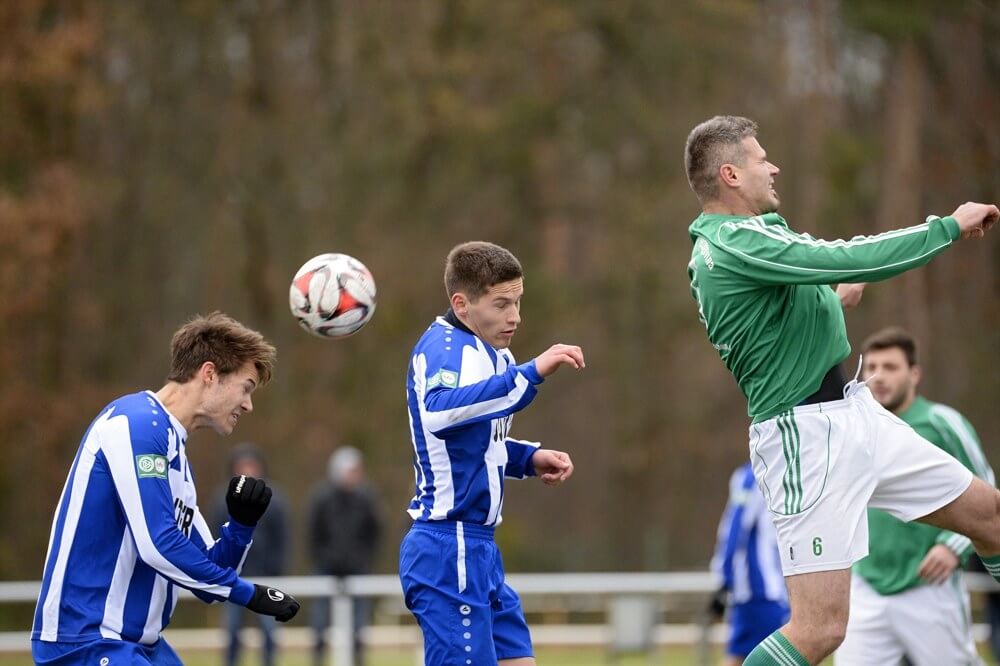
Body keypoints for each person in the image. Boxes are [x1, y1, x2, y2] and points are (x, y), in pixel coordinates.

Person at [683, 115, 1000, 665]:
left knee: (989, 517)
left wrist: (829, 295)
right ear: (730, 174)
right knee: (821, 629)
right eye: (762, 158)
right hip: (805, 438)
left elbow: (801, 289)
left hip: (854, 416)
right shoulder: (729, 241)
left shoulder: (759, 234)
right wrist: (945, 227)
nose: (773, 166)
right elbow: (839, 257)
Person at [31, 312, 300, 665]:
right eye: (246, 387)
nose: (248, 404)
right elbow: (156, 544)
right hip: (86, 641)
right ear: (209, 374)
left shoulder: (173, 452)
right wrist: (249, 595)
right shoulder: (136, 424)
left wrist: (240, 527)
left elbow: (206, 574)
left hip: (140, 645)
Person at [399, 241, 584, 666]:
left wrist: (527, 459)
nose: (515, 316)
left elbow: (475, 441)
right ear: (461, 304)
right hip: (447, 546)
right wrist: (531, 374)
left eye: (518, 302)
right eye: (501, 304)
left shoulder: (495, 353)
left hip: (480, 549)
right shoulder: (443, 348)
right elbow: (441, 411)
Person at [836, 327, 994, 665]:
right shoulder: (851, 429)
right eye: (871, 366)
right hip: (865, 587)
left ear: (915, 374)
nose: (878, 376)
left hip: (929, 586)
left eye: (891, 367)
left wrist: (952, 547)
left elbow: (988, 492)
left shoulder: (942, 423)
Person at [212, 444, 291, 666]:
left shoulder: (274, 499)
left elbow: (282, 538)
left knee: (268, 629)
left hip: (265, 575)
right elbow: (213, 535)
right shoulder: (222, 499)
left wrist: (277, 570)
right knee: (233, 631)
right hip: (232, 576)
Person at [307, 446, 383, 666]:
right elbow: (313, 534)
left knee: (358, 626)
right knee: (320, 623)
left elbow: (375, 532)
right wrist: (324, 558)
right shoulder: (321, 498)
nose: (355, 475)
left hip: (358, 569)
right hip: (326, 569)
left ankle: (358, 661)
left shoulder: (367, 498)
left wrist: (364, 558)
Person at [710, 461, 790, 665]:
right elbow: (735, 525)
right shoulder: (753, 475)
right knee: (795, 651)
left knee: (740, 656)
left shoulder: (783, 470)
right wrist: (725, 580)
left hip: (765, 590)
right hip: (759, 590)